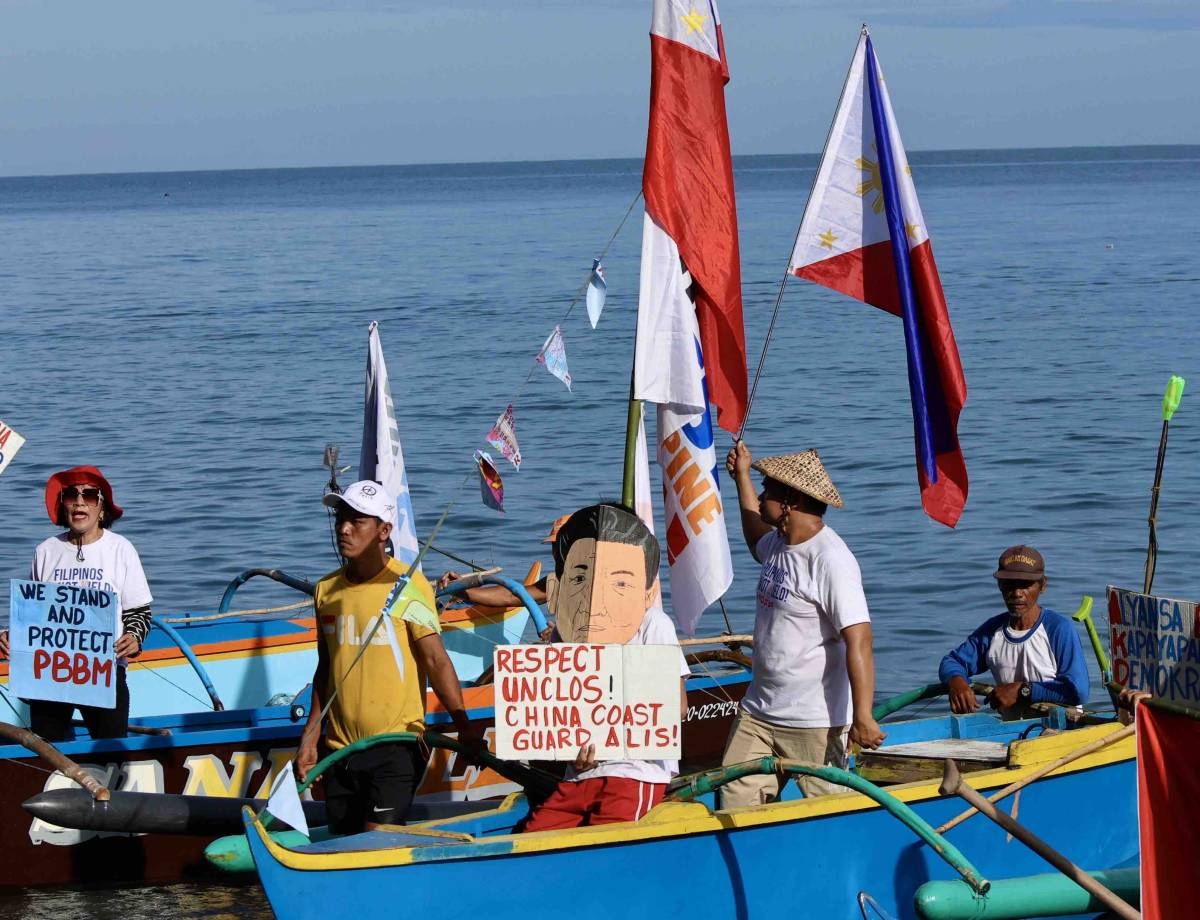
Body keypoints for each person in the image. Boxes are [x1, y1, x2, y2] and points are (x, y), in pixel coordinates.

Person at [296, 480, 482, 834]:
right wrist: (310, 737)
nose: (344, 529)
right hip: (339, 750)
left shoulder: (409, 586)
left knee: (374, 842)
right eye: (341, 518)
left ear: (384, 531)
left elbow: (436, 661)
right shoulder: (326, 590)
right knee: (343, 846)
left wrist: (465, 728)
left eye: (357, 521)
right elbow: (326, 668)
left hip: (397, 745)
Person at [720, 443, 885, 807]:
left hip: (814, 722)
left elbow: (860, 641)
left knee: (829, 813)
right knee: (734, 804)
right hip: (758, 713)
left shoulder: (831, 561)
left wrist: (863, 715)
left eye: (768, 491)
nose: (761, 498)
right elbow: (753, 536)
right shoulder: (779, 543)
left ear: (791, 501)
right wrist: (742, 478)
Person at [518, 503, 690, 832]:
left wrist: (613, 738)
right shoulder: (566, 628)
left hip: (636, 772)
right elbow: (557, 707)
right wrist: (572, 751)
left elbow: (676, 707)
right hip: (581, 773)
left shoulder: (652, 622)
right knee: (532, 837)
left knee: (608, 838)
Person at [0, 466, 152, 742]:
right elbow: (35, 615)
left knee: (110, 748)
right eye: (72, 495)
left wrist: (134, 636)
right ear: (63, 506)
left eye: (90, 495)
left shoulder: (120, 549)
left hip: (104, 671)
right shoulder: (46, 551)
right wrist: (12, 635)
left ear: (102, 509)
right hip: (50, 675)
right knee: (49, 747)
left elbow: (138, 611)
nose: (80, 501)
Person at [939, 545, 1089, 718]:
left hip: (1064, 731)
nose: (1017, 593)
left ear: (1043, 585)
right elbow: (951, 662)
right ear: (1000, 586)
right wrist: (956, 681)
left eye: (1025, 585)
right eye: (1010, 585)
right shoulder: (992, 631)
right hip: (1013, 731)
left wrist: (1023, 691)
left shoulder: (1059, 628)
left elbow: (1078, 691)